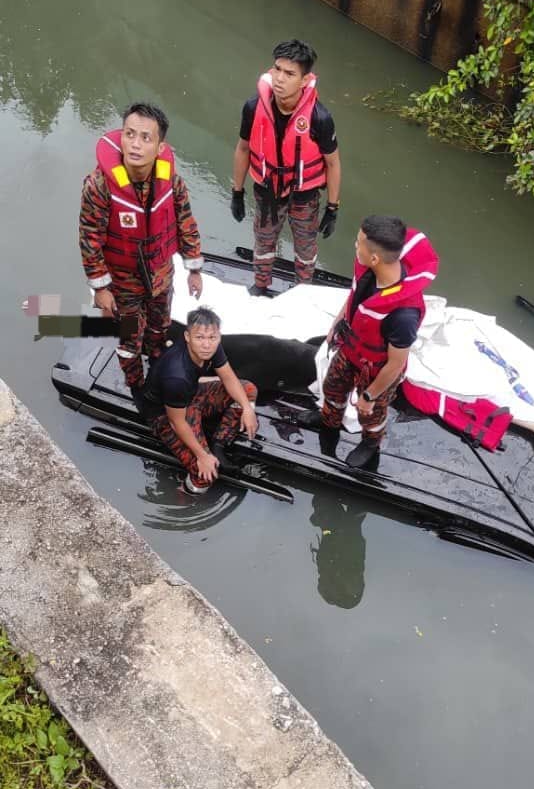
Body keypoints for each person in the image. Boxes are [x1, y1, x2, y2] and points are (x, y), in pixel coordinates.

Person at [79, 103, 203, 403]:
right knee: (129, 337)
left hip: (161, 274)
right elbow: (89, 238)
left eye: (145, 138)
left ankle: (158, 360)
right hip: (123, 281)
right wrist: (101, 289)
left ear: (160, 147)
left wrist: (194, 268)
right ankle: (135, 384)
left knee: (160, 325)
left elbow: (186, 222)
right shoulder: (99, 186)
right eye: (129, 134)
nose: (135, 144)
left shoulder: (171, 181)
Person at [303, 215, 439, 469]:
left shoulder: (403, 314)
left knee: (371, 414)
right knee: (333, 387)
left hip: (377, 371)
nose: (355, 247)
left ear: (375, 257)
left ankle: (370, 443)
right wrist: (336, 324)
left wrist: (369, 395)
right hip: (350, 349)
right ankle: (329, 419)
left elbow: (395, 365)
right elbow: (355, 298)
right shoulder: (369, 271)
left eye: (358, 243)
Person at [230, 39, 341, 295]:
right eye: (277, 69)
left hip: (304, 194)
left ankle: (303, 289)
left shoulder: (319, 117)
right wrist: (237, 192)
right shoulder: (253, 107)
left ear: (304, 80)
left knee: (305, 247)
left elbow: (333, 163)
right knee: (263, 239)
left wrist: (332, 208)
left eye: (289, 73)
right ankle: (260, 284)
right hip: (267, 189)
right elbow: (243, 148)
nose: (279, 78)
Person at [141, 306, 258, 495]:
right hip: (166, 414)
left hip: (192, 394)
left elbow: (228, 376)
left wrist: (247, 408)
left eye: (212, 338)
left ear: (218, 336)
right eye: (199, 338)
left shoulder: (212, 347)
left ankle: (219, 444)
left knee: (248, 390)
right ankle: (186, 495)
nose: (206, 345)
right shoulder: (176, 375)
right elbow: (176, 422)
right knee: (204, 474)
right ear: (187, 337)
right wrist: (202, 455)